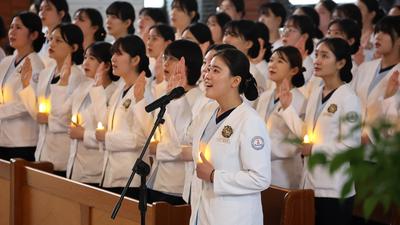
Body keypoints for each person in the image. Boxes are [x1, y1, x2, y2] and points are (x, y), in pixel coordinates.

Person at [279, 38, 361, 225]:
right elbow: (307, 133)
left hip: (334, 189)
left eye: (324, 56)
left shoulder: (348, 98)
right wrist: (287, 108)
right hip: (310, 184)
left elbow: (351, 145)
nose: (317, 60)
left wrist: (314, 149)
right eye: (316, 55)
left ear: (340, 63)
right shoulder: (317, 92)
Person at [187, 48, 271, 225]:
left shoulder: (250, 121)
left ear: (235, 81)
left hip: (234, 217)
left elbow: (260, 179)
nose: (207, 75)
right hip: (203, 212)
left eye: (215, 70)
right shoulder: (208, 110)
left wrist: (214, 176)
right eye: (208, 69)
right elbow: (187, 137)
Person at [19, 23, 85, 177]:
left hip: (64, 152)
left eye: (58, 41)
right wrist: (26, 86)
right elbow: (37, 113)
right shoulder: (46, 72)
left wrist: (49, 119)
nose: (52, 44)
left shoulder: (77, 76)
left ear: (74, 47)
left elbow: (72, 118)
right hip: (42, 150)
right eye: (50, 39)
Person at [49, 42, 118, 184]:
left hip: (96, 171)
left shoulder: (114, 93)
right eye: (85, 57)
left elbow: (109, 135)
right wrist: (63, 81)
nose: (85, 62)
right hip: (74, 168)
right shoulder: (84, 86)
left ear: (106, 65)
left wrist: (84, 135)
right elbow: (59, 114)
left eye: (91, 59)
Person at [92, 35, 152, 198]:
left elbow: (140, 139)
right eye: (113, 54)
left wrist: (107, 137)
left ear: (135, 60)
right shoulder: (121, 88)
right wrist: (97, 89)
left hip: (130, 176)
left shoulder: (144, 90)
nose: (113, 59)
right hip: (112, 172)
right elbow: (105, 121)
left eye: (119, 54)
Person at [146, 39, 204, 205]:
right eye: (165, 57)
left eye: (172, 59)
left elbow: (186, 145)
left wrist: (160, 150)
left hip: (179, 185)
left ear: (187, 64)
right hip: (158, 179)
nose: (166, 62)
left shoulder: (199, 100)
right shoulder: (168, 95)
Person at [256, 46, 306, 189]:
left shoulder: (300, 100)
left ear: (294, 70)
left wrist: (260, 151)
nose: (272, 64)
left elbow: (295, 142)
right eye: (271, 60)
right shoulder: (265, 96)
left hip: (283, 172)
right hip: (259, 168)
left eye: (280, 61)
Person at [0, 12, 45, 161]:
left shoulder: (37, 65)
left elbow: (26, 105)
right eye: (11, 27)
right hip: (2, 138)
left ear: (33, 35)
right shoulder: (6, 61)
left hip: (22, 141)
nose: (12, 31)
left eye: (18, 27)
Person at [351, 16, 400, 144]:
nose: (377, 36)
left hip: (381, 153)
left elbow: (395, 126)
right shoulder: (365, 68)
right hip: (351, 148)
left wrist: (389, 98)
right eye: (377, 32)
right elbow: (349, 102)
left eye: (385, 32)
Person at [223, 20, 269, 94]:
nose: (226, 39)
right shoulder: (222, 67)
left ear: (248, 44)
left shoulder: (254, 75)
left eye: (233, 35)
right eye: (225, 34)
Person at [38, 0, 71, 67]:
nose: (42, 12)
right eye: (41, 9)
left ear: (61, 14)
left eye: (48, 9)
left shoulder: (67, 37)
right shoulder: (40, 35)